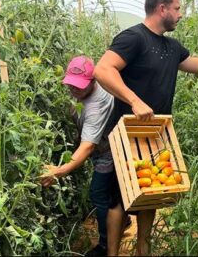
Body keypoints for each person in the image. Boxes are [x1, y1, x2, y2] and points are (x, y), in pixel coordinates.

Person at [93, 0, 198, 256]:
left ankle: (143, 251)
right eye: (177, 8)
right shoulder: (133, 38)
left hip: (156, 133)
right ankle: (112, 253)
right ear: (162, 9)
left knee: (151, 194)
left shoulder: (173, 47)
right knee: (118, 198)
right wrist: (134, 100)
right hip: (127, 134)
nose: (180, 14)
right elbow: (102, 69)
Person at [39, 55, 130, 257]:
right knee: (107, 194)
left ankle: (106, 243)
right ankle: (122, 220)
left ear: (93, 81)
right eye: (70, 85)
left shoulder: (97, 107)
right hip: (100, 147)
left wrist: (59, 171)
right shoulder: (81, 93)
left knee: (98, 194)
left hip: (108, 151)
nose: (73, 90)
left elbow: (88, 147)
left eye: (79, 86)